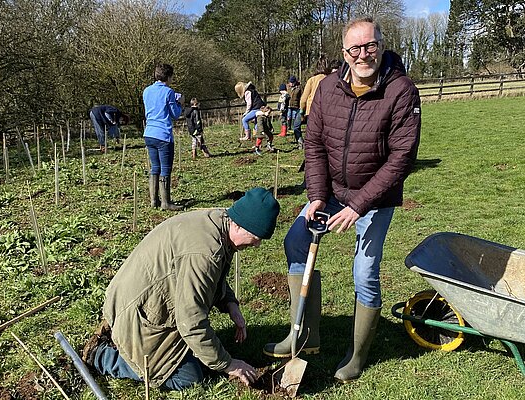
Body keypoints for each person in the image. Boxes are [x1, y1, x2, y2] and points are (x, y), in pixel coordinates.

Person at [263, 17, 421, 384]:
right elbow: (315, 144)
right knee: (296, 242)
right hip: (331, 190)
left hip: (375, 198)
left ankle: (356, 355)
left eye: (370, 46)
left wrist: (358, 206)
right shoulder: (329, 88)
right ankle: (303, 334)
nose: (363, 54)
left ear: (380, 46)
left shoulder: (401, 90)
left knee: (364, 272)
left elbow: (401, 158)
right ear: (344, 53)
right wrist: (317, 196)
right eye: (355, 48)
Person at [82, 187, 280, 391]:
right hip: (137, 311)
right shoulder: (205, 253)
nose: (256, 245)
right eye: (256, 238)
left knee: (199, 353)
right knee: (189, 377)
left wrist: (231, 304)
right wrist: (229, 365)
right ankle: (103, 356)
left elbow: (211, 278)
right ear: (239, 225)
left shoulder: (219, 222)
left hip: (146, 301)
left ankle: (122, 338)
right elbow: (191, 322)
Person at [143, 63, 184, 211]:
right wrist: (180, 103)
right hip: (163, 135)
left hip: (149, 133)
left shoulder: (146, 91)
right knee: (165, 169)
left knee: (155, 167)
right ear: (169, 76)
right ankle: (166, 203)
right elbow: (175, 114)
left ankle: (154, 200)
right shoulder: (169, 92)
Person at [300, 57, 330, 126]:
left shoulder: (312, 80)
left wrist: (301, 112)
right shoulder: (332, 79)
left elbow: (304, 99)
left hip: (312, 111)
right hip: (326, 111)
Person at [286, 76, 303, 148]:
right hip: (289, 105)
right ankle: (288, 127)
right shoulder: (288, 88)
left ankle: (300, 142)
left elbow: (302, 96)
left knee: (295, 119)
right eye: (290, 82)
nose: (291, 84)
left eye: (292, 82)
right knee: (289, 117)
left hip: (297, 106)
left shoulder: (299, 88)